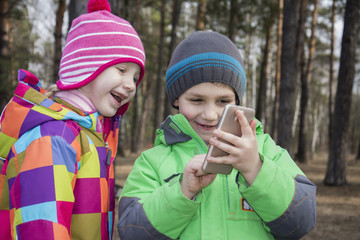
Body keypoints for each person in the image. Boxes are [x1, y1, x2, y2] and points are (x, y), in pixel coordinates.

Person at [117, 31, 316, 240]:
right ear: (176, 99)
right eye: (196, 100)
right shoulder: (151, 163)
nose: (210, 115)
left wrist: (255, 169)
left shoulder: (265, 150)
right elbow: (133, 232)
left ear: (236, 100)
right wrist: (182, 192)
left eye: (223, 101)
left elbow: (302, 221)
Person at [0, 0, 145, 239]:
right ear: (86, 66)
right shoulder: (55, 137)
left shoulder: (88, 134)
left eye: (136, 76)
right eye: (121, 70)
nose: (131, 85)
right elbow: (42, 229)